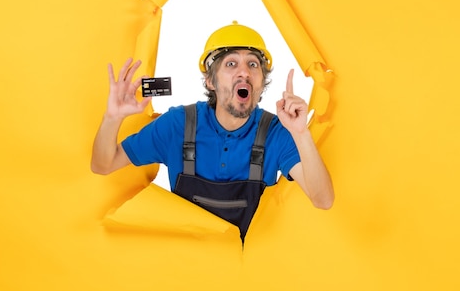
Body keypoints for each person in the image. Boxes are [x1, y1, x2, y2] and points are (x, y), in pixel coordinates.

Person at [91, 21, 334, 242]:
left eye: (253, 64)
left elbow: (322, 199)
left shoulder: (276, 133)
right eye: (231, 64)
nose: (244, 72)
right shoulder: (177, 125)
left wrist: (301, 133)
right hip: (186, 268)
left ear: (261, 82)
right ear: (210, 81)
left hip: (246, 273)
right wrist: (112, 117)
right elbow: (103, 164)